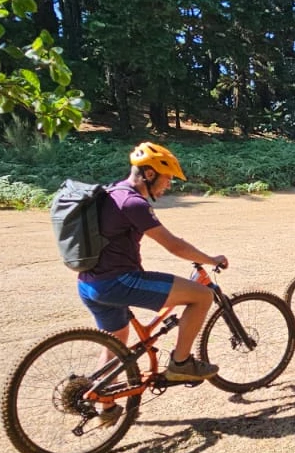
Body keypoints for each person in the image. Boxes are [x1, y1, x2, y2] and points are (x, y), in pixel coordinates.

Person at [76, 142, 227, 387]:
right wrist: (211, 259)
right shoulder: (133, 203)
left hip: (89, 284)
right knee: (202, 296)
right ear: (149, 174)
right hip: (119, 282)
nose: (169, 184)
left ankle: (104, 403)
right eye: (166, 178)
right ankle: (181, 363)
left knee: (116, 342)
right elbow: (174, 245)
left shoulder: (112, 192)